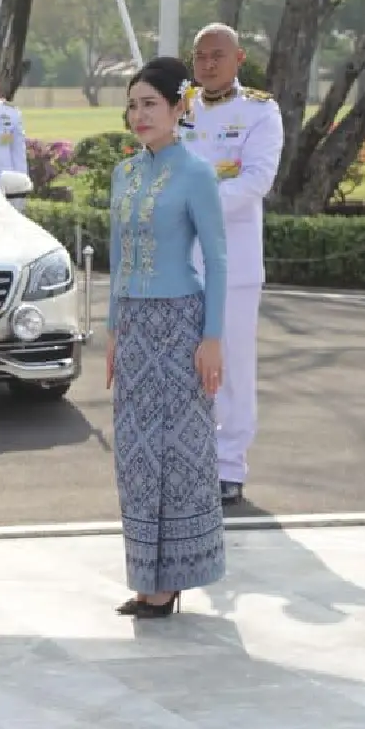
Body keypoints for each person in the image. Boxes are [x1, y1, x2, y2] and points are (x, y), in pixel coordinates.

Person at [106, 56, 228, 618]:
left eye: (150, 104)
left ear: (179, 107)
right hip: (133, 329)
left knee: (178, 454)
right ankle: (144, 578)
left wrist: (212, 337)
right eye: (133, 105)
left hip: (181, 326)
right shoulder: (124, 173)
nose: (140, 115)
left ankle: (171, 580)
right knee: (135, 455)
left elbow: (218, 262)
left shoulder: (196, 173)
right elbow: (117, 258)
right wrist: (112, 330)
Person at [184, 23, 283, 505]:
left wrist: (197, 203)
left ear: (238, 58)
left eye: (217, 55)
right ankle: (192, 455)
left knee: (232, 366)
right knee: (185, 365)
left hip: (234, 261)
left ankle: (229, 464)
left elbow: (257, 180)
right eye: (200, 56)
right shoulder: (181, 108)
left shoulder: (260, 111)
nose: (208, 64)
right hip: (182, 261)